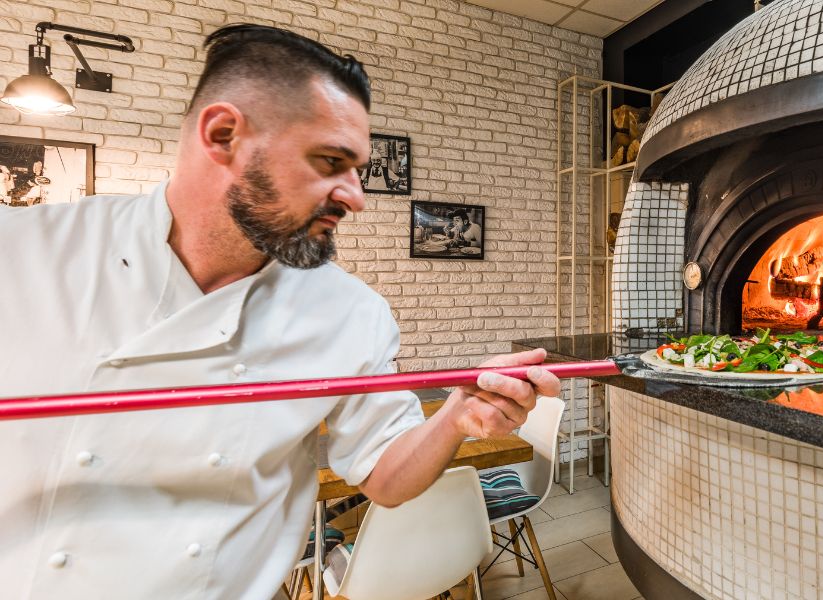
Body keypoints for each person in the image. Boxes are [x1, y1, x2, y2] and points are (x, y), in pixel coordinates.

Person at [0, 24, 558, 599]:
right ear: (222, 135)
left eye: (357, 169)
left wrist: (455, 416)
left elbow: (385, 479)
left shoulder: (349, 313)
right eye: (329, 161)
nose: (356, 196)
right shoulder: (21, 253)